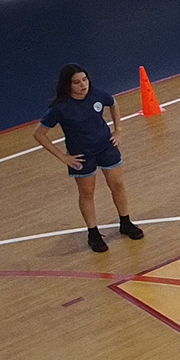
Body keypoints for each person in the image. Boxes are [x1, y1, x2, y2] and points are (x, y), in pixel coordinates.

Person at [33, 63, 143, 254]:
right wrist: (63, 157)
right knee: (87, 194)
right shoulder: (60, 108)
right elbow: (39, 134)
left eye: (84, 80)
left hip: (106, 147)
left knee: (117, 184)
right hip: (81, 156)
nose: (83, 85)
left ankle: (125, 222)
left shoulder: (97, 95)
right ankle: (93, 233)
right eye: (77, 82)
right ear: (68, 85)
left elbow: (113, 103)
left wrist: (118, 129)